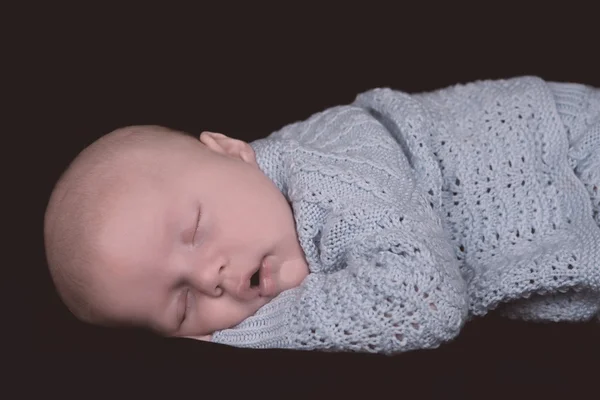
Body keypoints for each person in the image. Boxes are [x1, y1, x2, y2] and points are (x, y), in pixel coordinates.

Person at [44, 76, 600, 355]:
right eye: (183, 306)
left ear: (232, 150)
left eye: (194, 231)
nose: (210, 276)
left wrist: (254, 331)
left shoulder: (327, 167)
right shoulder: (277, 215)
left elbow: (422, 301)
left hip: (571, 153)